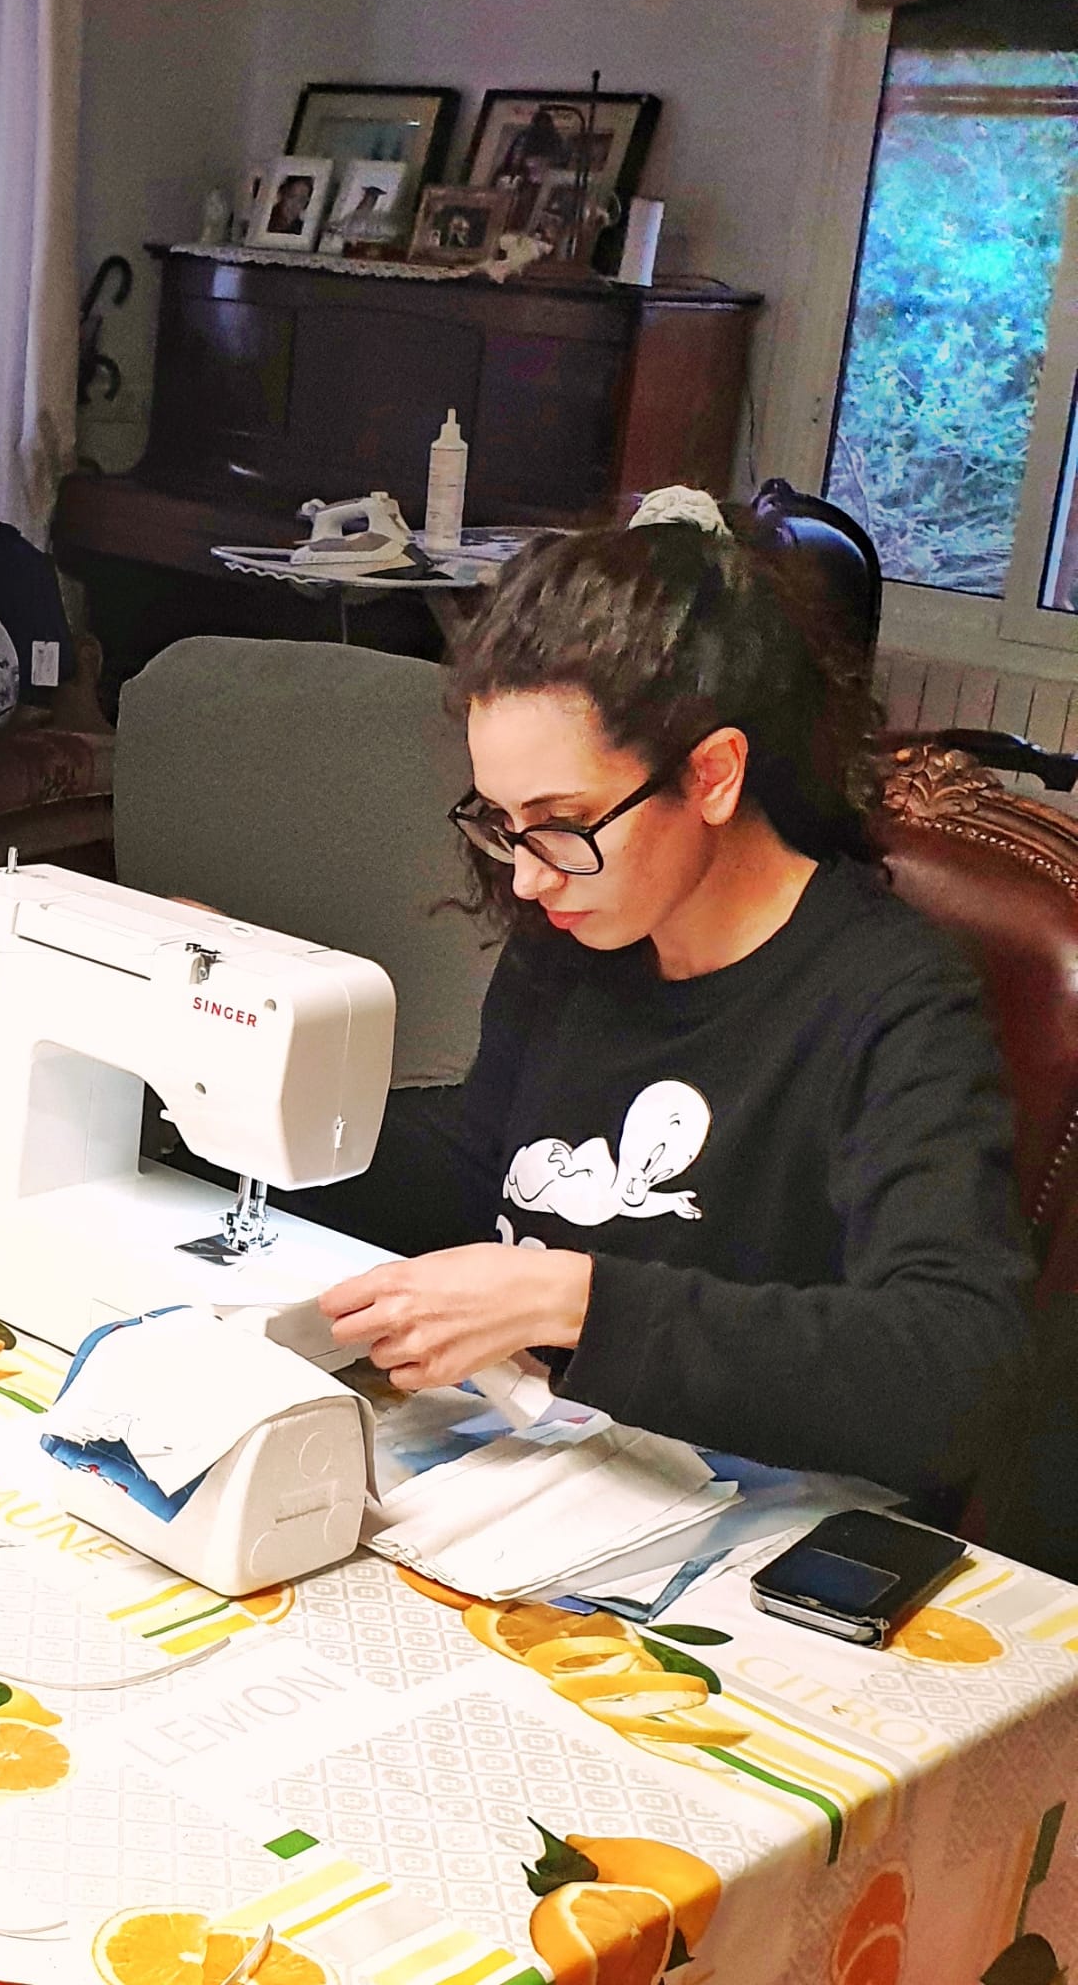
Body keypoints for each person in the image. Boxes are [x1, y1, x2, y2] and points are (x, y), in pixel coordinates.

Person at [312, 489, 1030, 1507]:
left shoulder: (892, 1000)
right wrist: (245, 1100)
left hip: (760, 1520)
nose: (528, 875)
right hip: (570, 1473)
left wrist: (577, 1302)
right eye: (502, 822)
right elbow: (487, 1170)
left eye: (562, 821)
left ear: (712, 775)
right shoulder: (576, 940)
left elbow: (954, 1370)